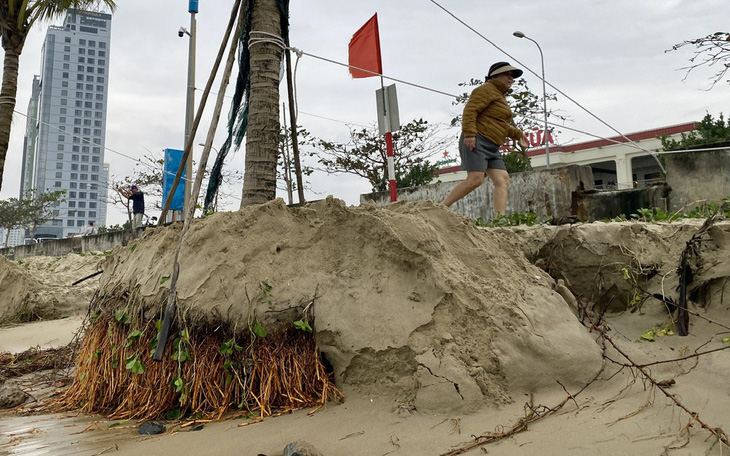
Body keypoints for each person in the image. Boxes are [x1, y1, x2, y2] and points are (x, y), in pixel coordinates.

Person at [442, 62, 529, 217]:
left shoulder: (499, 95)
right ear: (495, 76)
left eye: (512, 76)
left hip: (493, 146)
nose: (511, 79)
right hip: (478, 140)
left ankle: (499, 220)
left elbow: (500, 124)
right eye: (507, 75)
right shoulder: (486, 89)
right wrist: (469, 134)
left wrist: (518, 134)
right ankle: (441, 207)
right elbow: (470, 111)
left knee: (502, 179)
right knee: (475, 179)